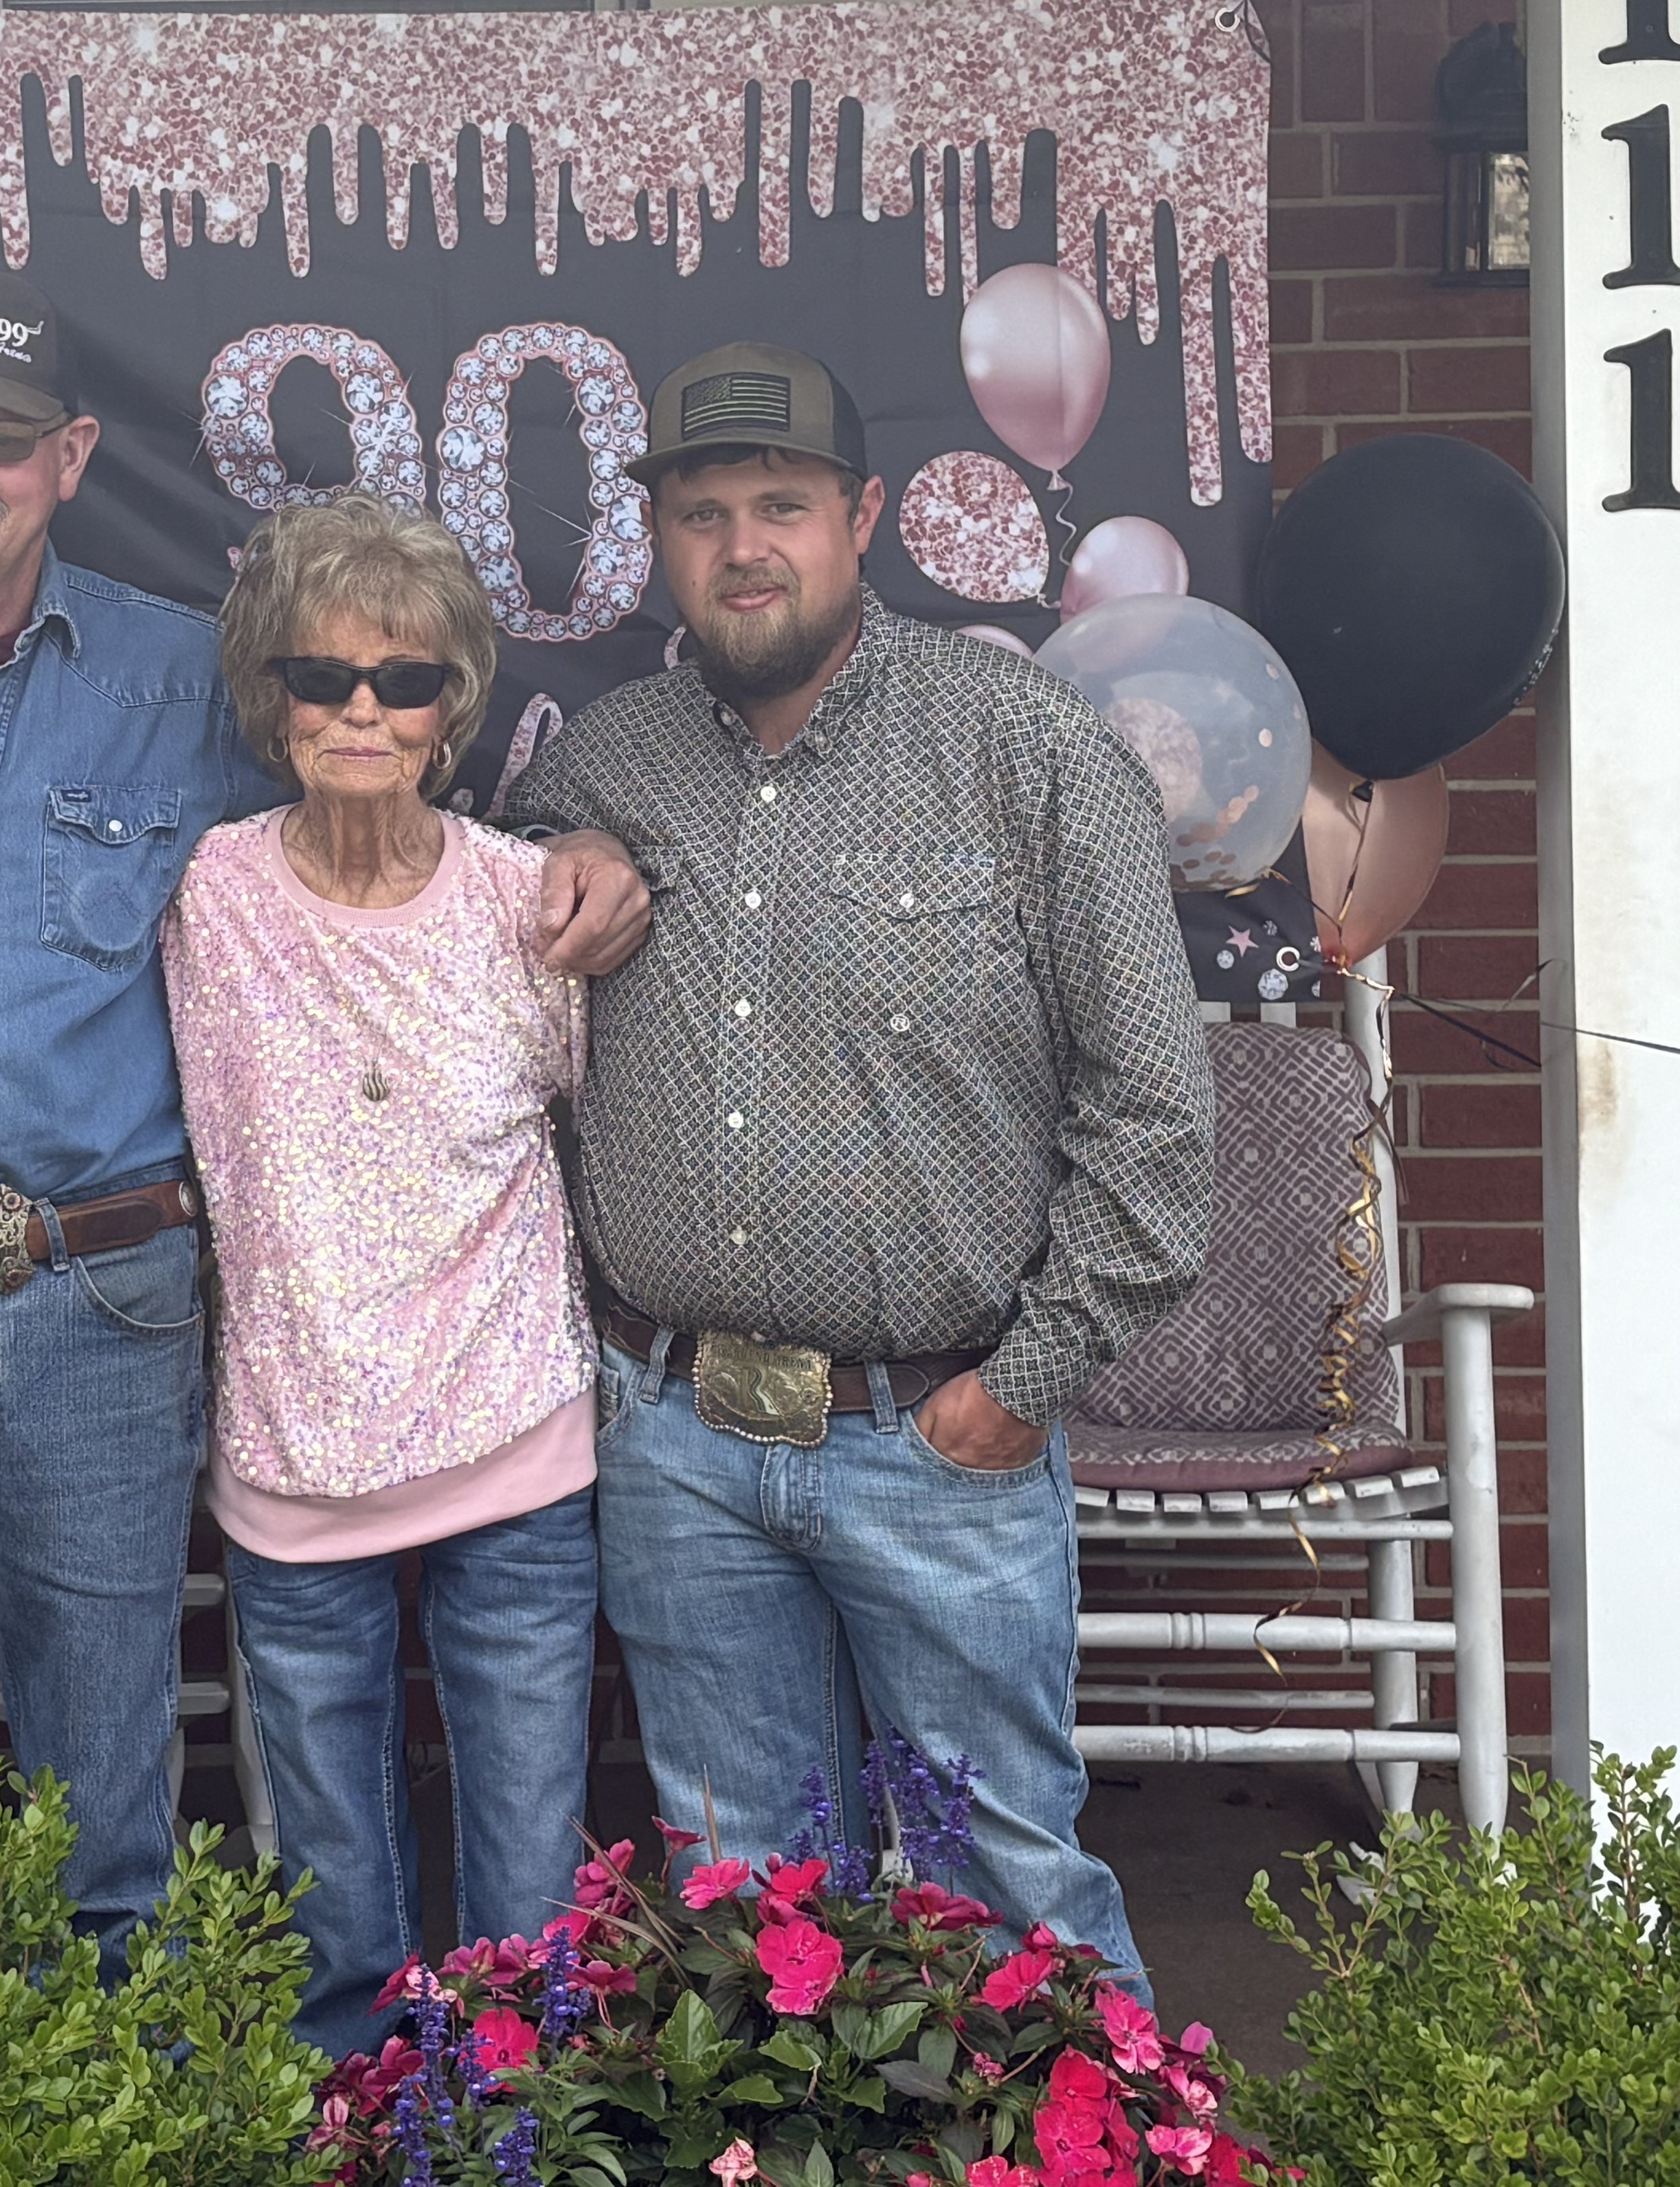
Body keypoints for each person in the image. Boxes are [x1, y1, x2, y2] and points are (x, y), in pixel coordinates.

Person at [0, 265, 648, 2037]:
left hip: (99, 1304)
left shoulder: (183, 682)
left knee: (112, 1808)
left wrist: (595, 844)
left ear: (70, 456)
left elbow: (383, 812)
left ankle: (106, 2120)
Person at [504, 343, 1213, 1984]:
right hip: (679, 1440)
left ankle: (1117, 2126)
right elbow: (495, 897)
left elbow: (1155, 1114)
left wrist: (1019, 1388)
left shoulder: (1026, 749)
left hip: (936, 1435)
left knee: (1008, 1892)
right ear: (660, 543)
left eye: (782, 506)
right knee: (744, 1911)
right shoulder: (608, 760)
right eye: (702, 516)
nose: (743, 547)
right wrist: (563, 842)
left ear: (865, 517)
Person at [159, 492, 594, 2055]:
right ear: (268, 699)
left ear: (452, 705)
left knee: (531, 1877)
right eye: (322, 676)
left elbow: (592, 1115)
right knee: (336, 1901)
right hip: (294, 1456)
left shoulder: (527, 899)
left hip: (515, 1440)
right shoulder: (204, 894)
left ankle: (524, 2120)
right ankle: (366, 2122)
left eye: (403, 680)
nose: (362, 710)